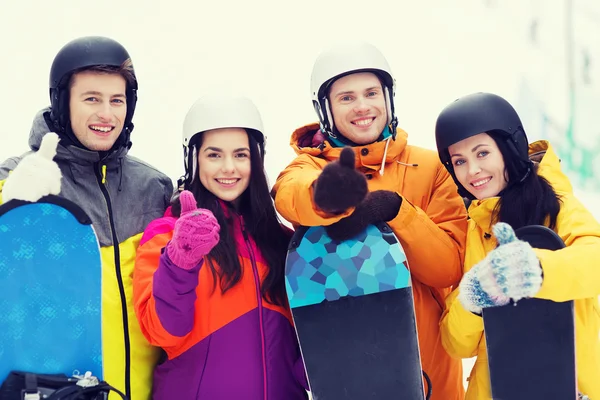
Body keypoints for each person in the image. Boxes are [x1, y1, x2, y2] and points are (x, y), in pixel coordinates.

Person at [271, 42, 468, 400]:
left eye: (371, 93)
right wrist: (327, 197)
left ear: (388, 98)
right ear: (325, 109)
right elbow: (290, 194)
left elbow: (448, 269)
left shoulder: (430, 168)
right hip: (351, 376)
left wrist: (396, 210)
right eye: (346, 98)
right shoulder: (308, 167)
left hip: (434, 380)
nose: (362, 107)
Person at [0, 36, 174, 399]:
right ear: (62, 103)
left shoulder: (154, 187)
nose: (106, 114)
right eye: (91, 99)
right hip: (59, 391)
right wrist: (12, 205)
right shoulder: (20, 175)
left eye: (117, 100)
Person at [133, 93, 309, 400]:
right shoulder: (167, 233)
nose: (229, 168)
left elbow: (301, 353)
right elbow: (162, 331)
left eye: (241, 155)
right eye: (214, 155)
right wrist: (181, 260)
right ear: (193, 158)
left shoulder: (282, 243)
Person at [435, 91, 600, 400]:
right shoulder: (474, 228)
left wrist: (536, 269)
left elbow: (595, 262)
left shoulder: (557, 205)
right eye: (460, 161)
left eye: (482, 153)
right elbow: (457, 345)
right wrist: (472, 301)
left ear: (509, 147)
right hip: (498, 389)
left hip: (570, 385)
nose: (472, 171)